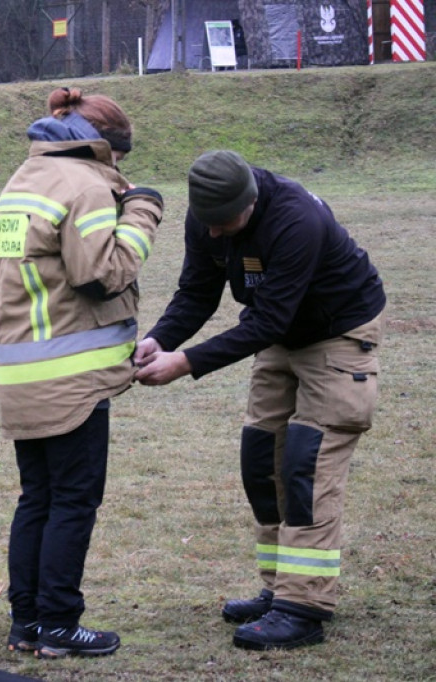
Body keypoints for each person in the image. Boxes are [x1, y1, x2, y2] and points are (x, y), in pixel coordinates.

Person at [135, 150, 385, 650]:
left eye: (224, 223)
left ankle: (304, 607)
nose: (214, 235)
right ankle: (278, 590)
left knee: (306, 463)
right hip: (280, 333)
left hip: (336, 332)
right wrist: (160, 340)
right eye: (207, 223)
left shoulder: (297, 218)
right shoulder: (208, 215)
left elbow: (268, 319)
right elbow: (197, 292)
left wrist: (184, 364)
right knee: (261, 457)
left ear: (250, 202)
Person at [0, 87, 163, 659]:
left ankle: (27, 623)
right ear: (105, 149)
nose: (122, 170)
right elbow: (100, 275)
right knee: (72, 502)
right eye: (121, 159)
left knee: (36, 498)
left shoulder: (22, 180)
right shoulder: (86, 185)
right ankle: (61, 624)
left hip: (20, 369)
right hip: (73, 375)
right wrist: (141, 213)